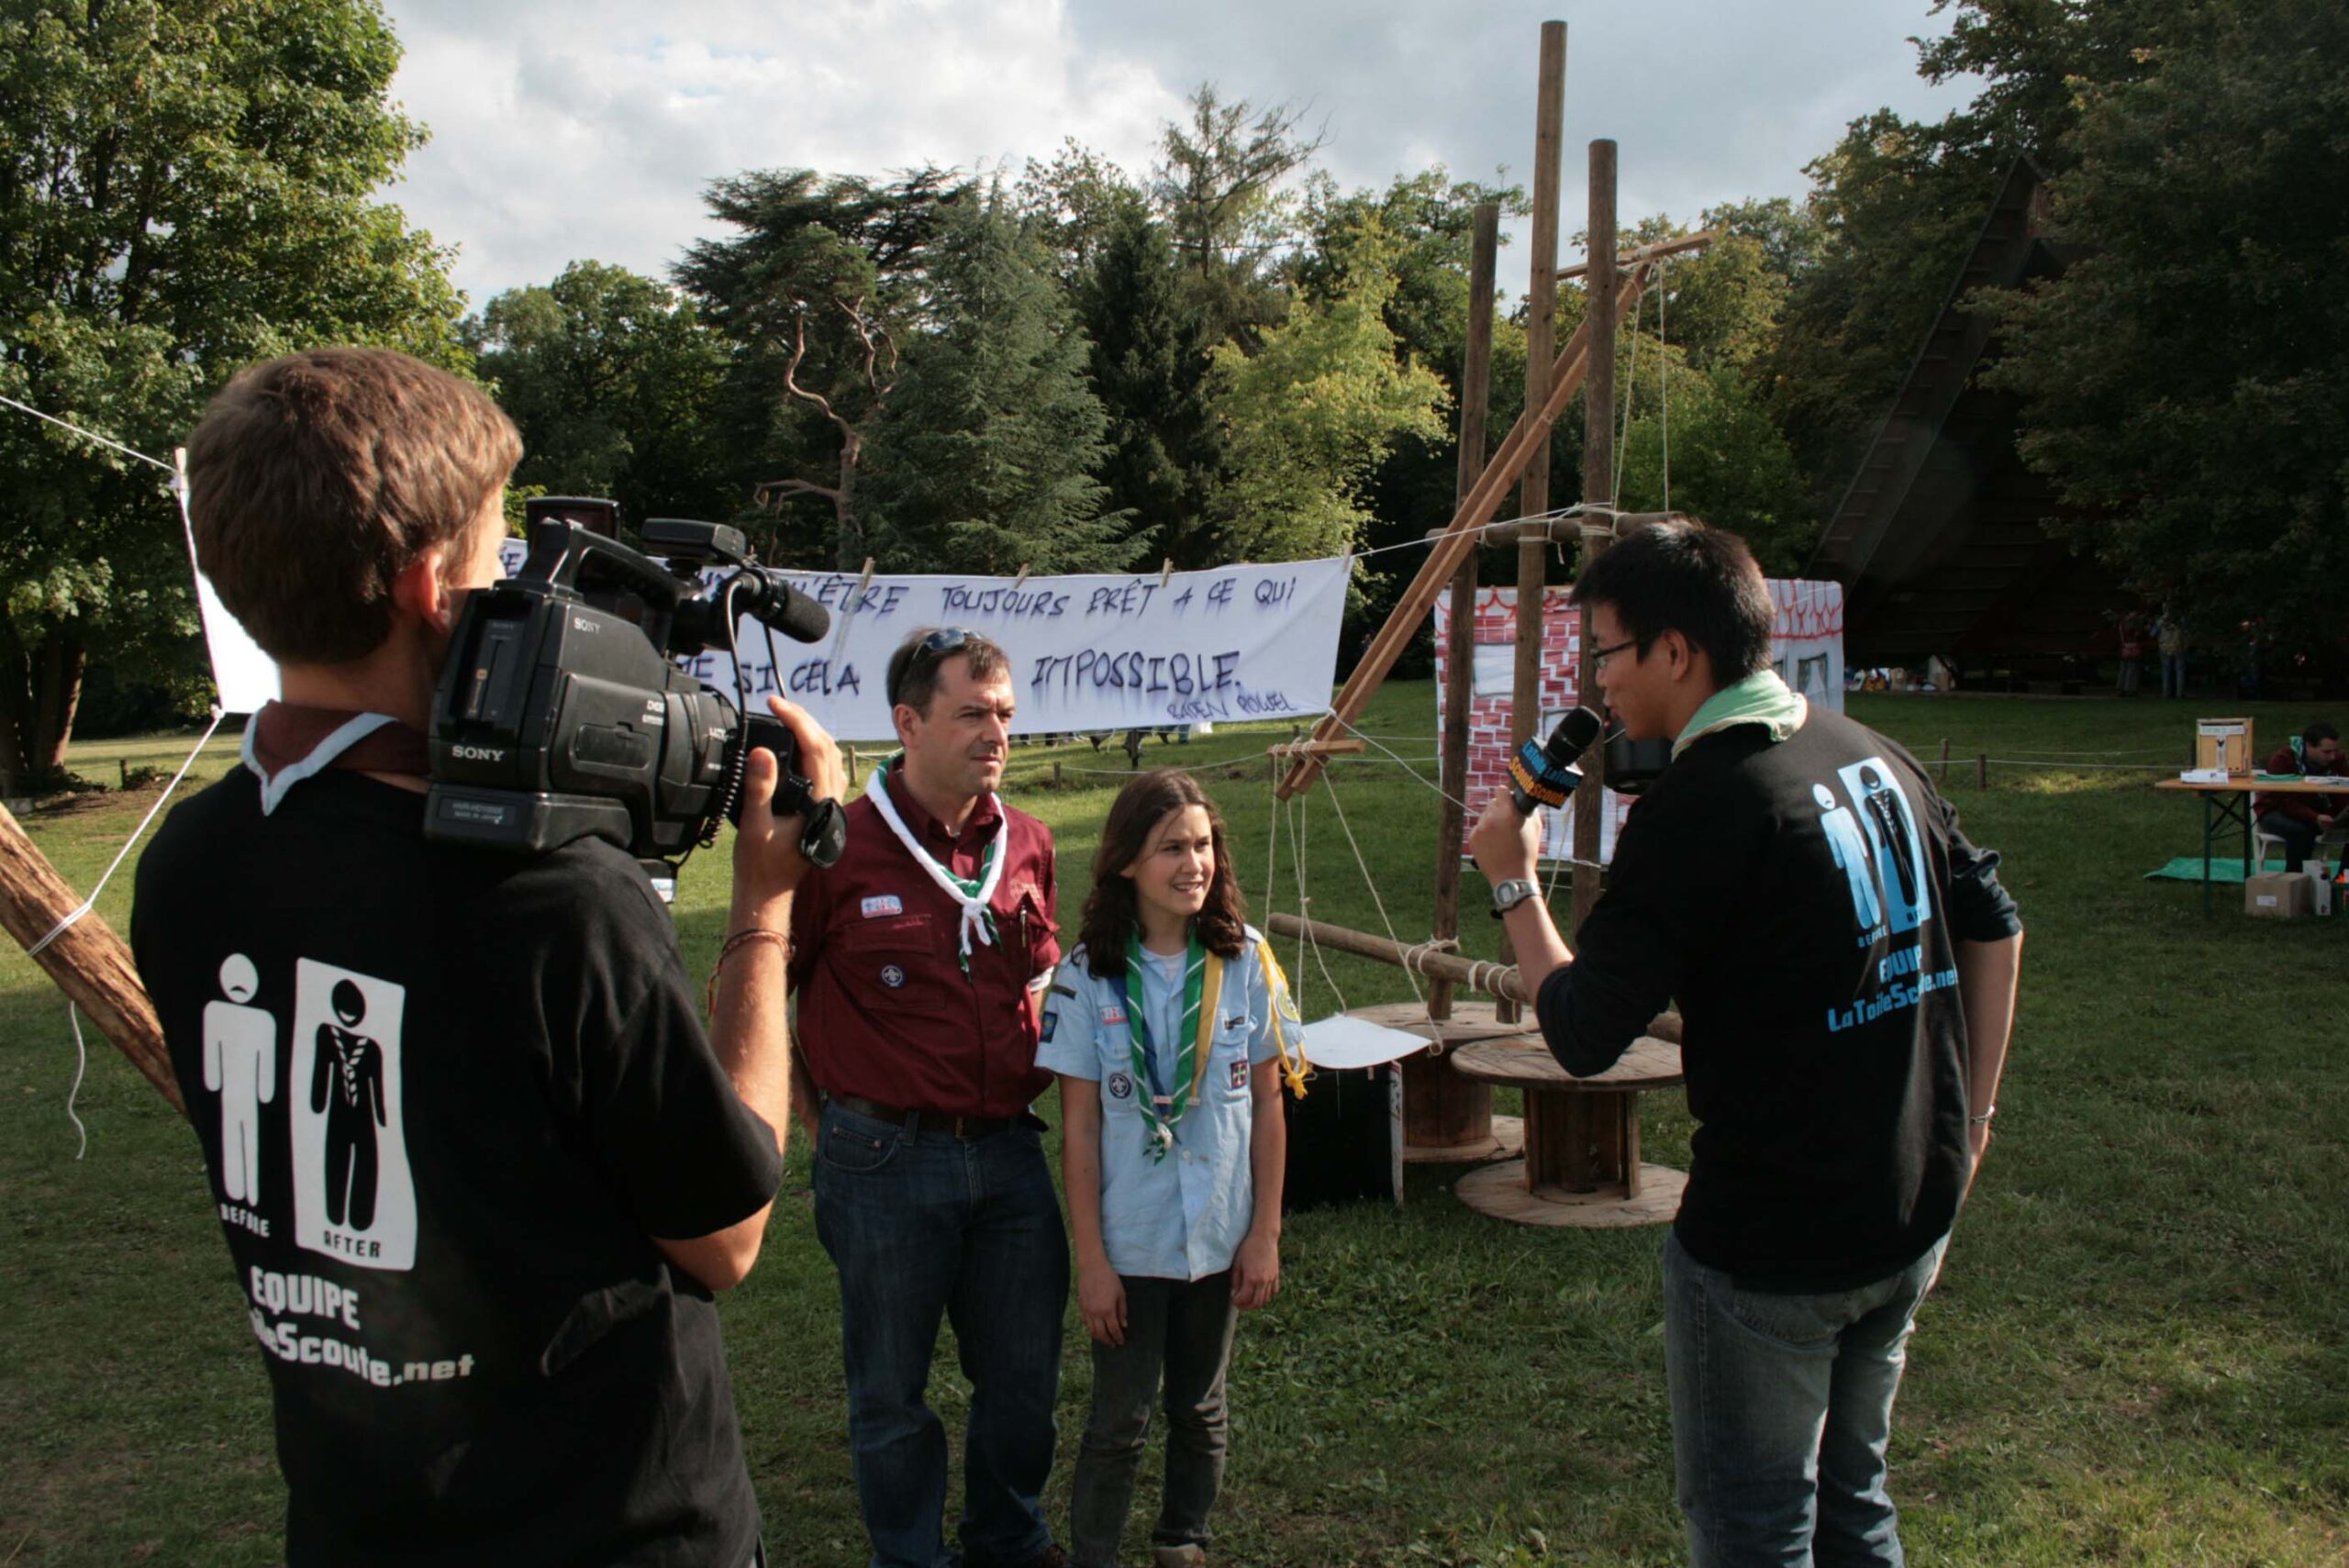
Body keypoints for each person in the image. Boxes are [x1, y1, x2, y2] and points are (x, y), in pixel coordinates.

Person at [130, 347, 843, 1567]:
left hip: (363, 1519)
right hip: (616, 1531)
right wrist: (764, 906)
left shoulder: (188, 862)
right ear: (428, 588)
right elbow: (725, 1233)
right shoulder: (552, 899)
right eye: (495, 556)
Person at [1467, 517, 2024, 1568]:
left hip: (1776, 1245)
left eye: (1606, 652)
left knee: (1754, 1529)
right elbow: (1996, 922)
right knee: (1854, 1500)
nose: (1601, 683)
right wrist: (1975, 1115)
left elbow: (1582, 1031)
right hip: (1913, 1202)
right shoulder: (1867, 747)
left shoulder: (1699, 804)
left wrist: (1509, 880)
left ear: (1676, 650)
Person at [785, 627, 1070, 1568]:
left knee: (1024, 1381)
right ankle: (909, 1558)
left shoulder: (1025, 841)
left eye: (1005, 715)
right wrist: (819, 1118)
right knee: (890, 1390)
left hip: (1006, 1149)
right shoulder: (836, 845)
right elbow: (758, 981)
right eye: (972, 714)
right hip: (881, 1159)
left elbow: (1040, 968)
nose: (997, 733)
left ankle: (1007, 1542)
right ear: (907, 721)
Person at [1037, 770, 1304, 1568]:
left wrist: (1265, 1232)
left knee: (1201, 1406)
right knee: (1119, 1420)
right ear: (1126, 861)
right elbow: (1078, 1130)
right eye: (1172, 848)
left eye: (1204, 844)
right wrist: (1092, 1261)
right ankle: (1096, 1554)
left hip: (1220, 1236)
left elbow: (1268, 1108)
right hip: (1133, 1241)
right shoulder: (1086, 976)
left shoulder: (1246, 960)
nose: (1195, 863)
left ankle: (1182, 1538)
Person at [2254, 720, 2346, 873]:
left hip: (2319, 810)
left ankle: (2343, 882)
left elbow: (2343, 791)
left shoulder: (2338, 760)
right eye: (2327, 752)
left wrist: (2343, 816)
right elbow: (2283, 800)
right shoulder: (2283, 760)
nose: (2332, 757)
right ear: (2309, 746)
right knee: (2301, 832)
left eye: (2335, 751)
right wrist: (2314, 817)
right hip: (2276, 810)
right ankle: (2294, 881)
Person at [2157, 610, 2188, 699]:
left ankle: (2166, 693)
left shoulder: (2160, 621)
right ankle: (2179, 693)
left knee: (2166, 671)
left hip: (2164, 647)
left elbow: (2153, 633)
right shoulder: (2182, 620)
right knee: (2180, 671)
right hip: (2178, 646)